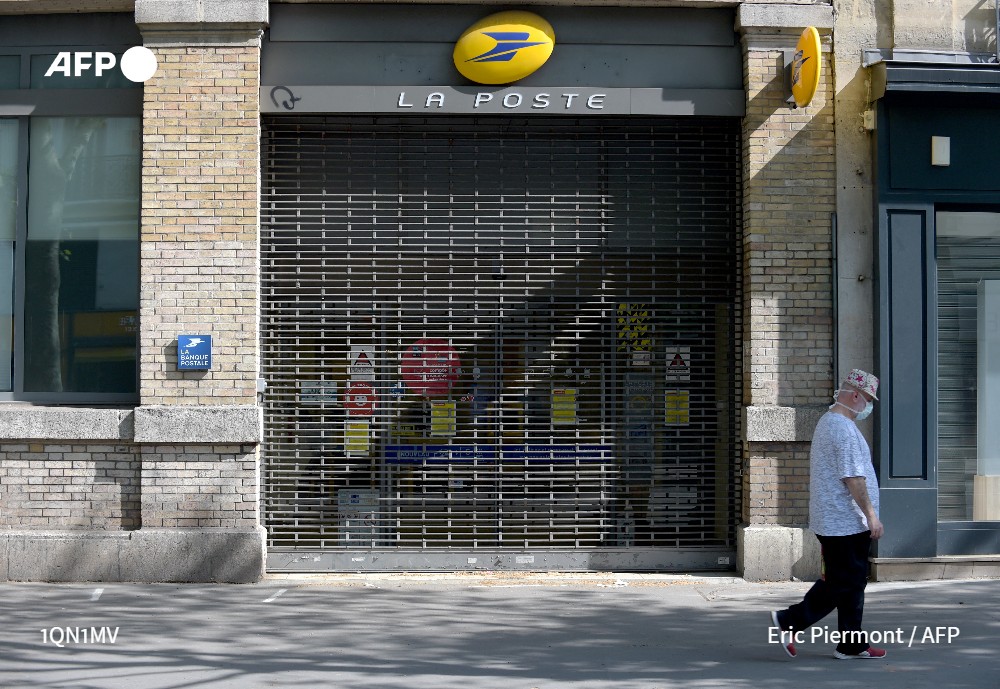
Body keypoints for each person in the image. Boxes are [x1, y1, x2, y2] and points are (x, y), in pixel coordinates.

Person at [769, 368, 887, 660]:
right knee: (843, 583)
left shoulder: (829, 422)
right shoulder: (843, 429)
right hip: (844, 522)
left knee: (851, 583)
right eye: (868, 400)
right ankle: (789, 621)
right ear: (855, 395)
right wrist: (871, 516)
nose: (868, 406)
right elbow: (853, 478)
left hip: (837, 520)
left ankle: (851, 644)